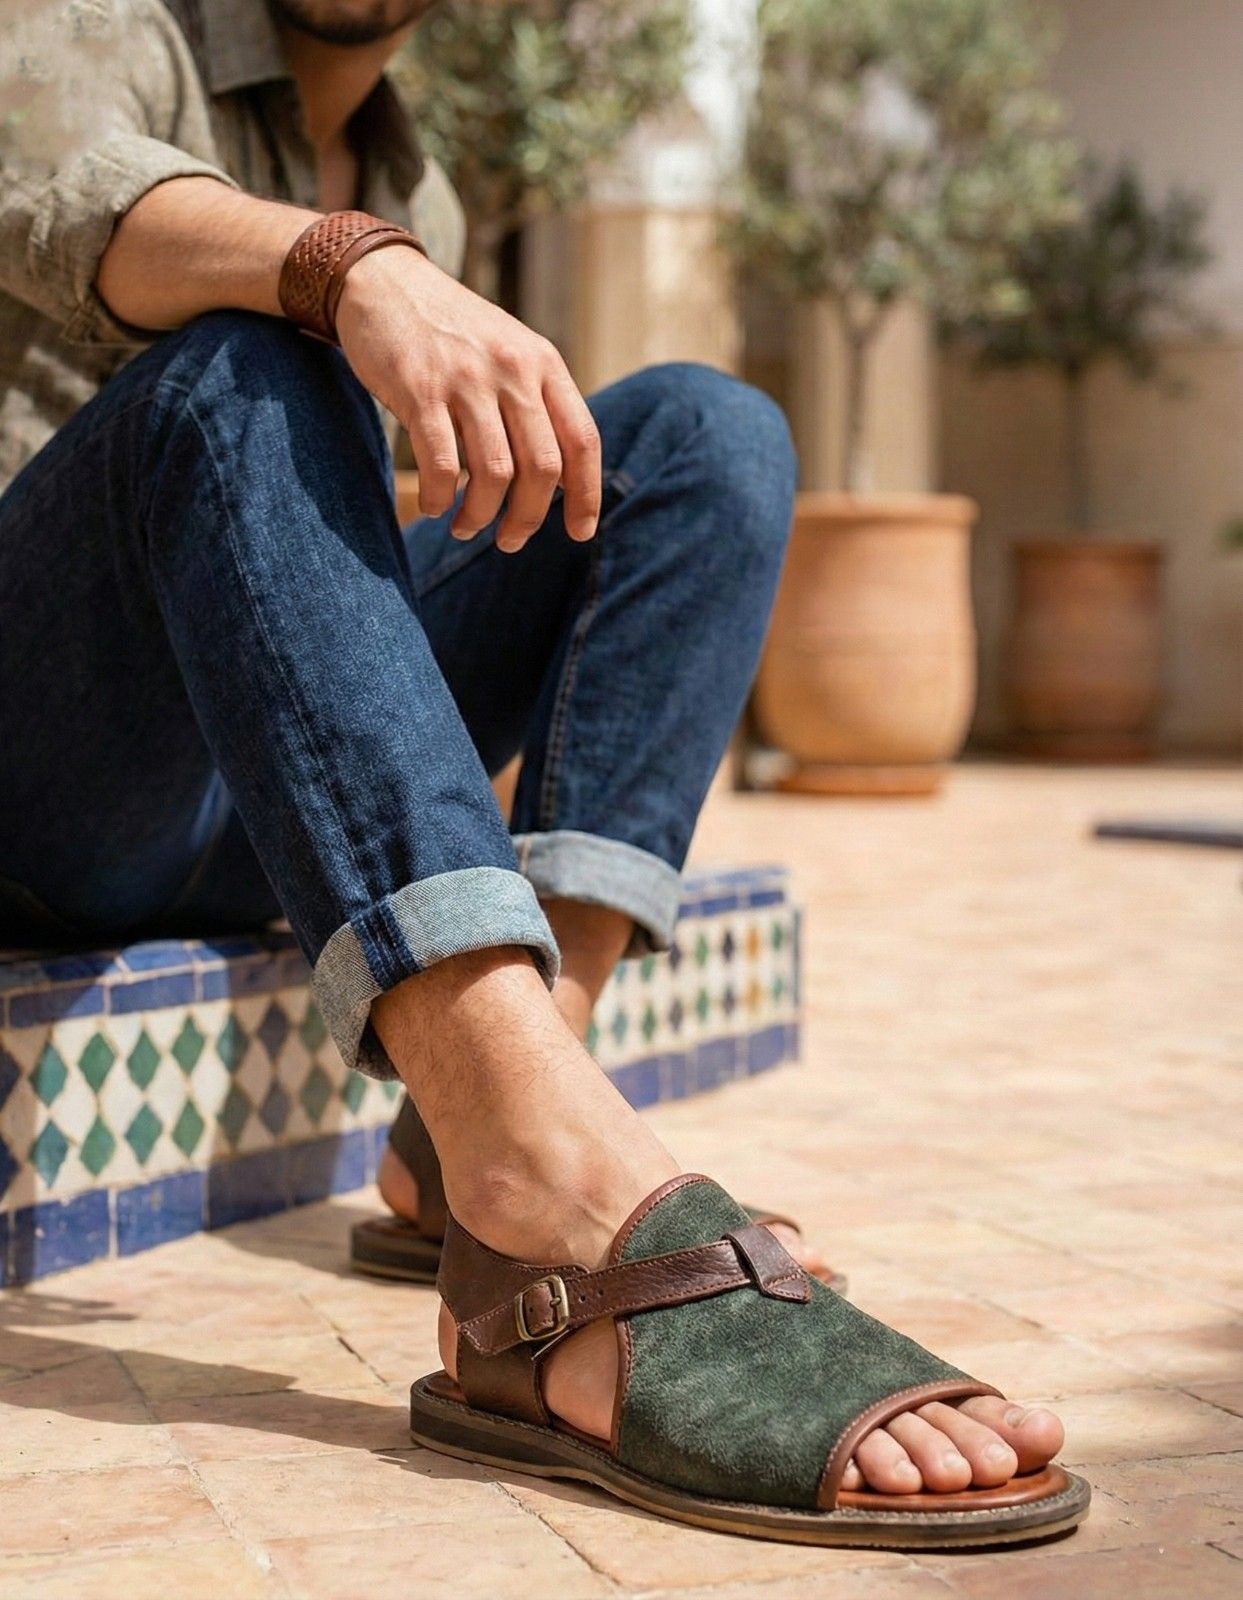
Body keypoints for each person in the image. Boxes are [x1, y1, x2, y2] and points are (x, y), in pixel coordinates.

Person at [0, 0, 1086, 1547]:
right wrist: (345, 269)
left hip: (257, 773)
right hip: (50, 758)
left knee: (704, 433)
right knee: (244, 361)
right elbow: (90, 212)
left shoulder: (416, 178)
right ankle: (540, 1161)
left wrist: (381, 265)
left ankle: (494, 1134)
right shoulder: (80, 22)